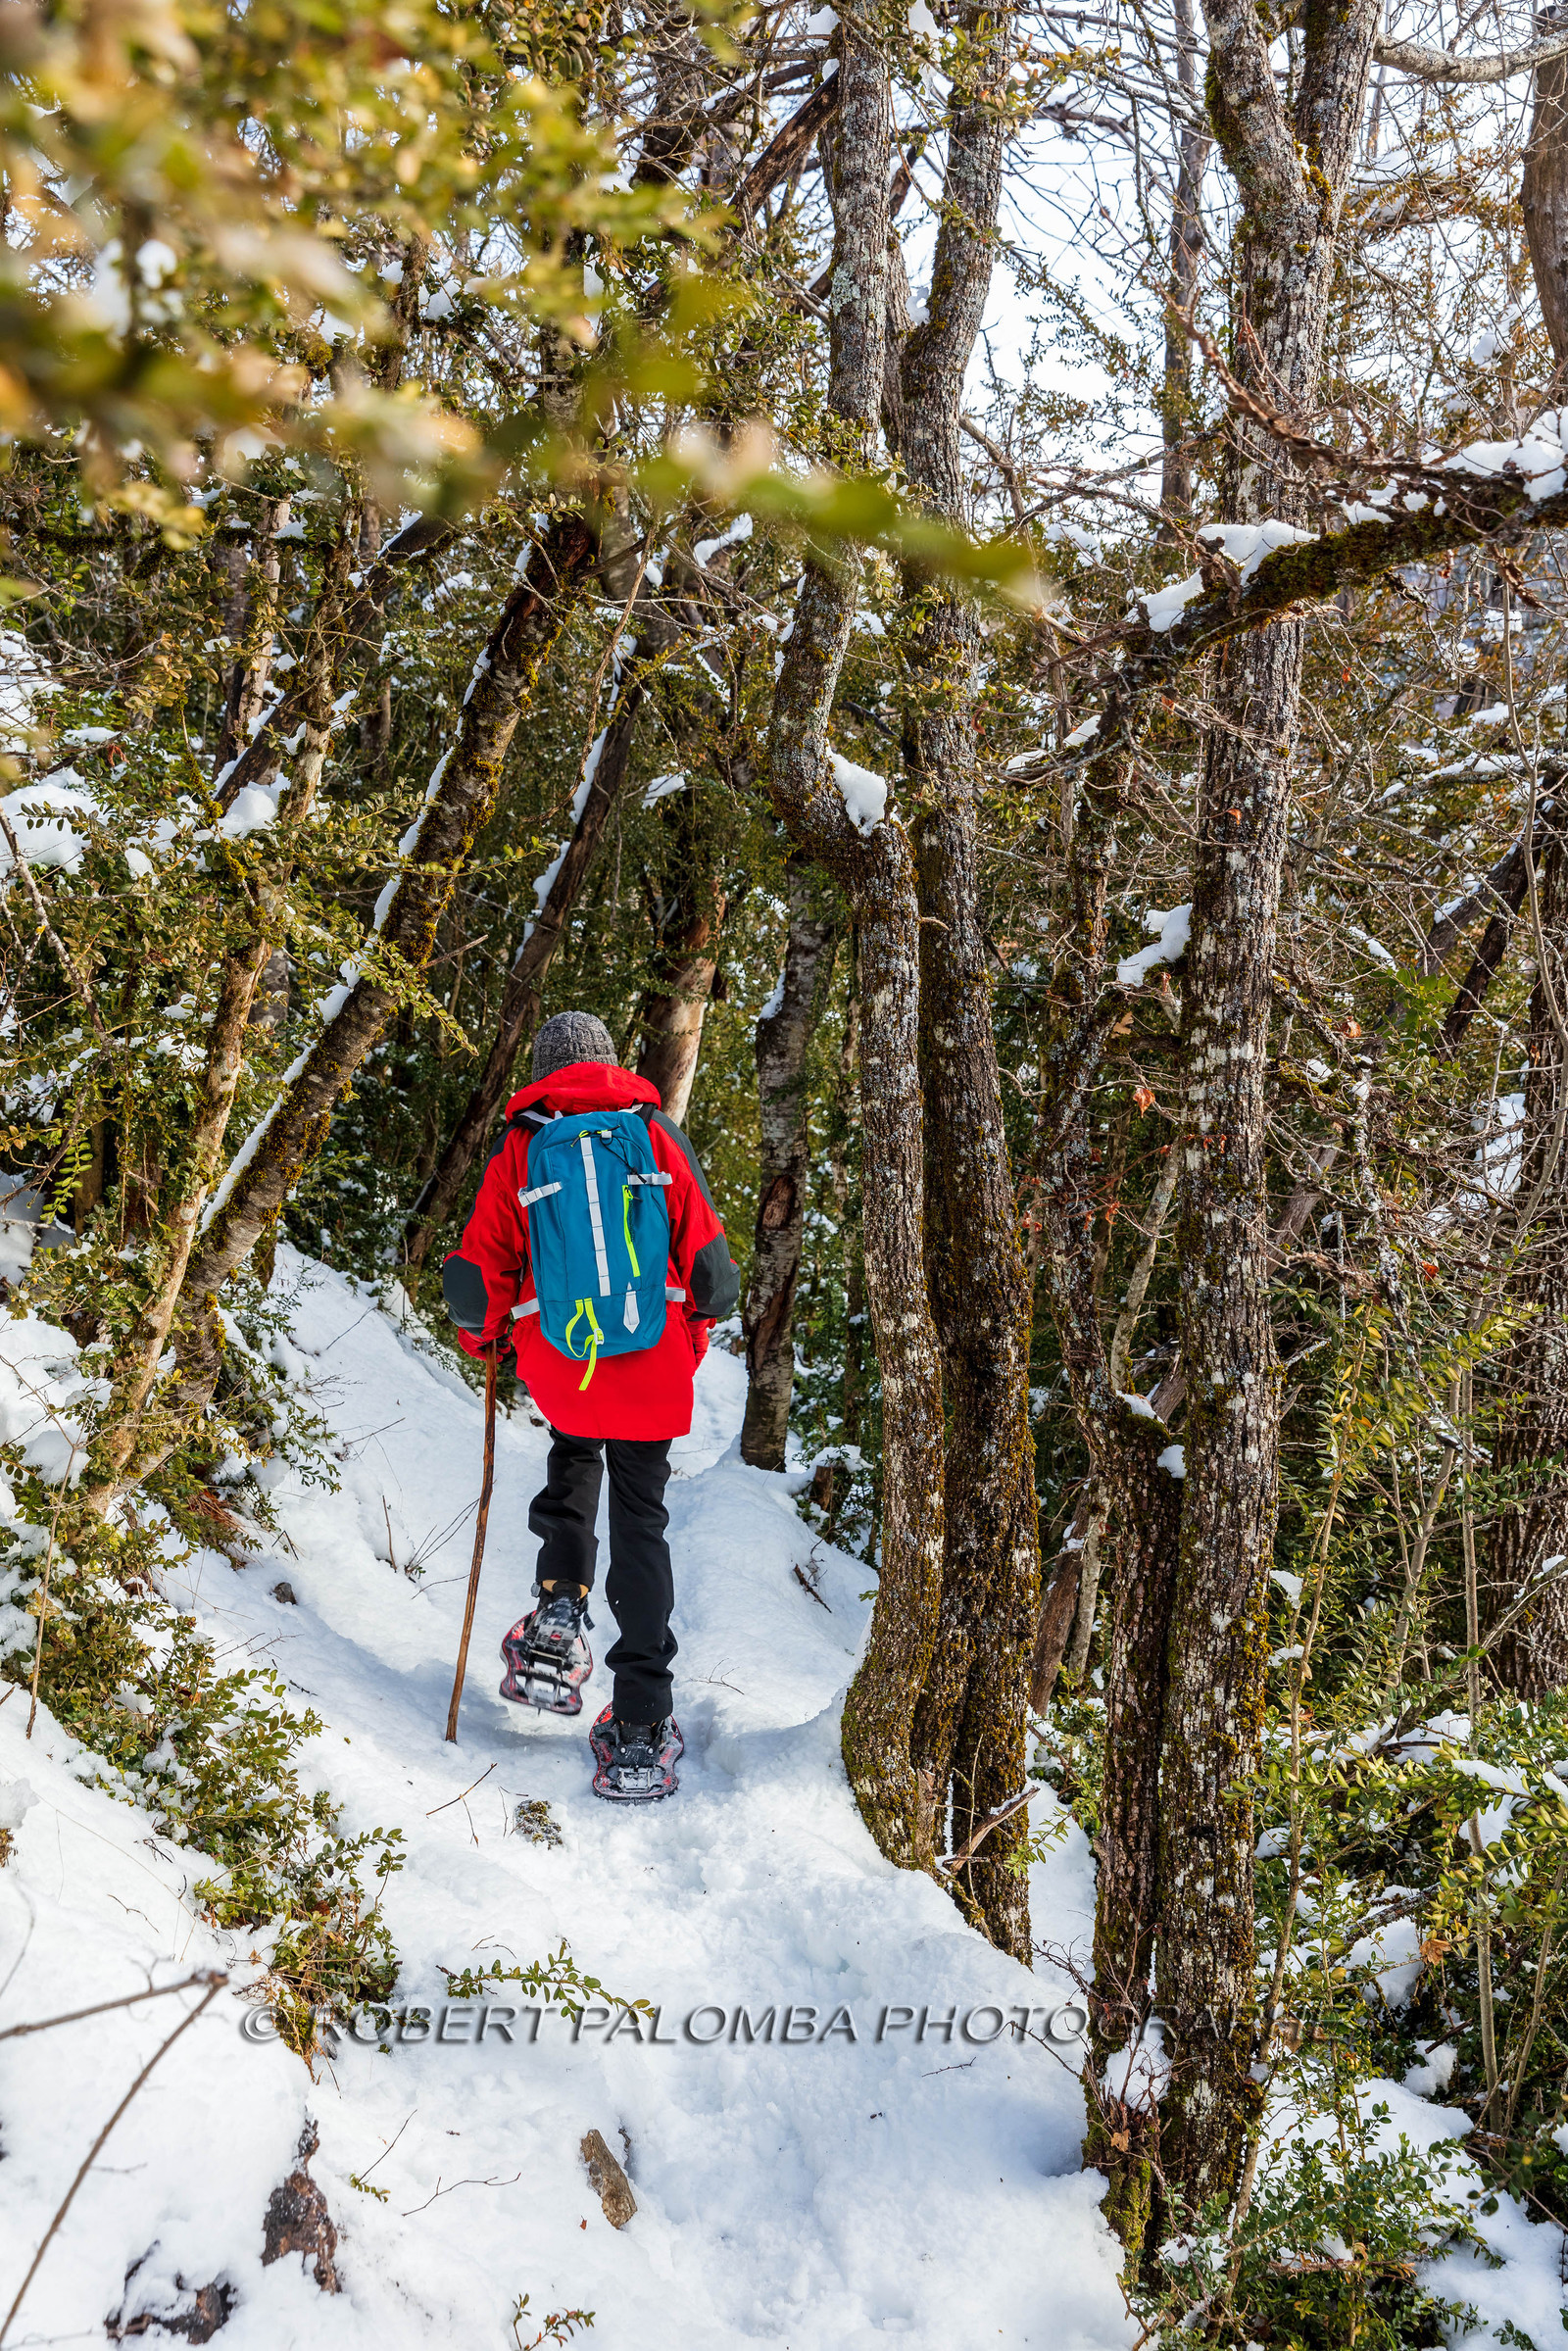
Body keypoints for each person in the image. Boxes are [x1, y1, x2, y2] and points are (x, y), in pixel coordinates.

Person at [442, 1010, 739, 1802]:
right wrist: (688, 1339)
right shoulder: (655, 1133)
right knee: (642, 1521)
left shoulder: (520, 1147)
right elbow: (712, 1271)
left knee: (572, 1460)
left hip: (563, 1360)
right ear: (608, 1062)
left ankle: (558, 1614)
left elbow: (476, 1281)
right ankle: (641, 1717)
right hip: (653, 1361)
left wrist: (495, 1347)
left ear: (543, 1068)